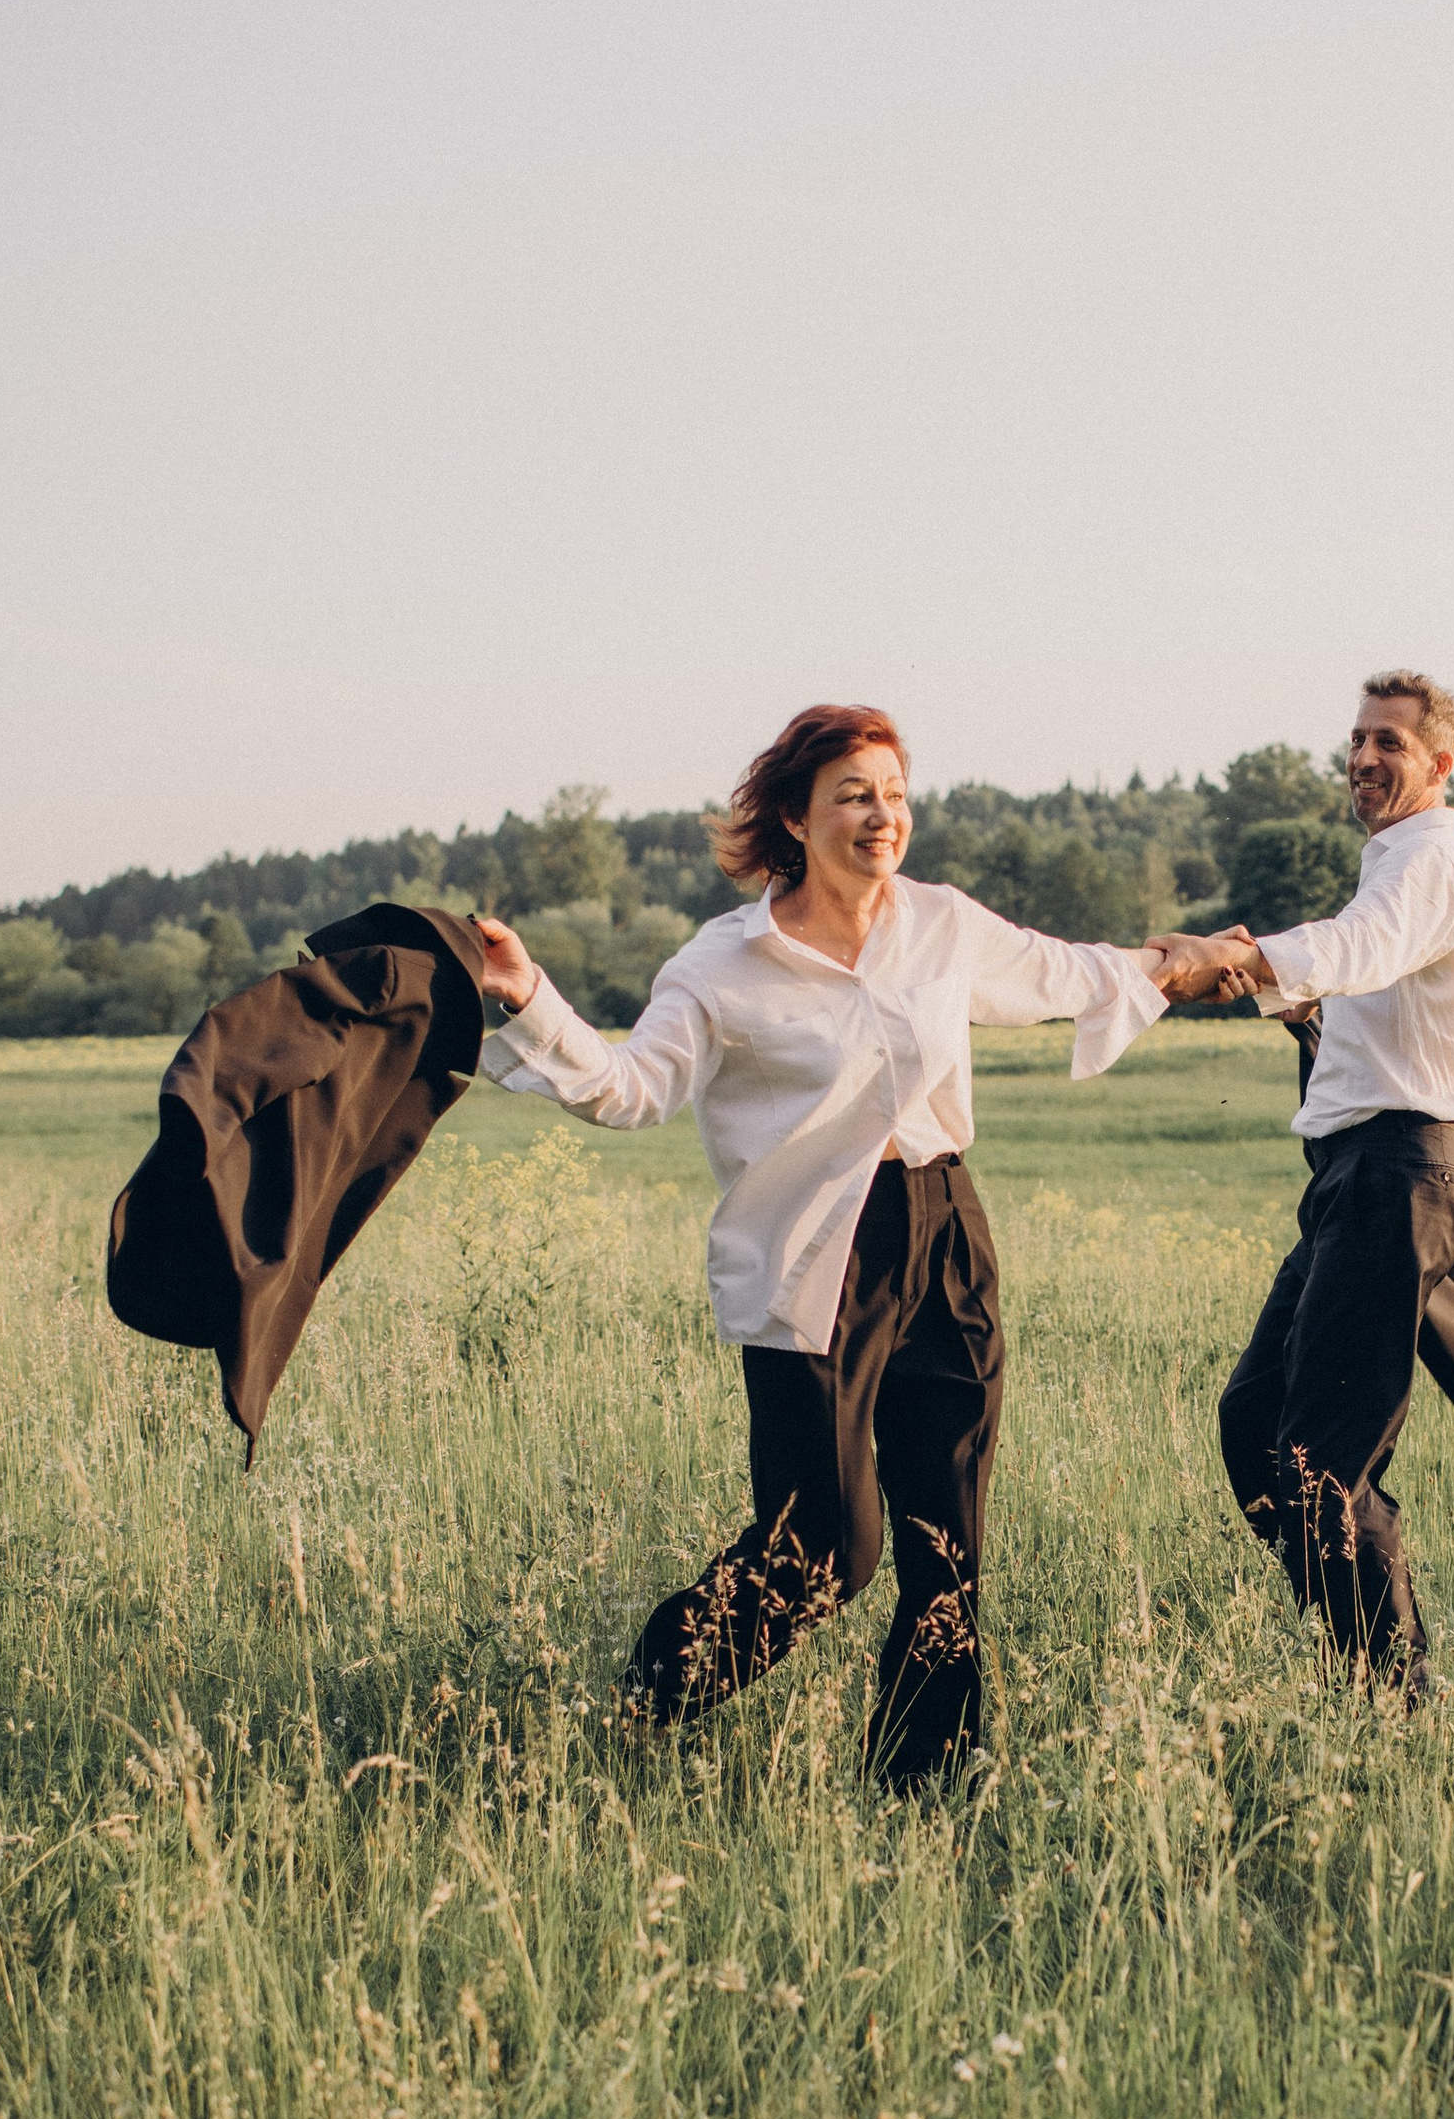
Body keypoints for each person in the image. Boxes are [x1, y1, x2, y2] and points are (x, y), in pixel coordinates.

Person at [472, 702, 1197, 1786]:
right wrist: (527, 996)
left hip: (945, 1235)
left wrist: (1188, 961)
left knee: (947, 1547)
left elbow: (1068, 974)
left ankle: (924, 1786)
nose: (882, 816)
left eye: (895, 795)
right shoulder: (721, 966)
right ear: (795, 819)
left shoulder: (940, 923)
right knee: (824, 1549)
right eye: (855, 795)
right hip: (810, 1258)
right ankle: (646, 1702)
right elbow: (630, 1090)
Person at [1167, 670, 1454, 1704]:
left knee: (1318, 1467)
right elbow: (1368, 996)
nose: (1362, 759)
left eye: (1389, 743)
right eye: (1356, 740)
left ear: (1439, 766)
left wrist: (1255, 956)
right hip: (1355, 1180)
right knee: (1254, 1423)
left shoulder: (1430, 865)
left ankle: (1397, 1699)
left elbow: (1357, 952)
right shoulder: (1391, 869)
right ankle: (1366, 1665)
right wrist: (1280, 995)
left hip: (1397, 1179)